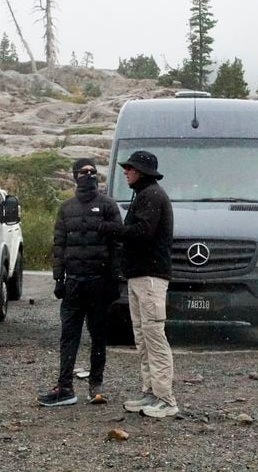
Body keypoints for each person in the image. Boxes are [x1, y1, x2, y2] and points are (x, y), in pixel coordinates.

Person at [37, 158, 123, 407]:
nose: (89, 176)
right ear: (75, 176)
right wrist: (58, 278)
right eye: (84, 172)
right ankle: (65, 388)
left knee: (98, 336)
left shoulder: (108, 206)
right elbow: (59, 245)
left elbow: (117, 244)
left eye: (93, 172)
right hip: (74, 282)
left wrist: (115, 280)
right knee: (69, 336)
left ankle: (96, 385)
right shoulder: (66, 208)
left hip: (99, 282)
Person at [101, 150, 179, 418]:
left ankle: (166, 398)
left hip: (151, 276)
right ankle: (150, 391)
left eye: (130, 168)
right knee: (143, 335)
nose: (126, 171)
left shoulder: (152, 196)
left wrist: (112, 230)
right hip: (139, 275)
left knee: (154, 335)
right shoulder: (144, 195)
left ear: (142, 172)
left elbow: (142, 233)